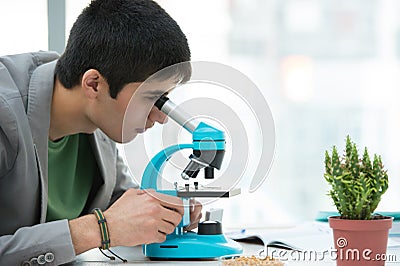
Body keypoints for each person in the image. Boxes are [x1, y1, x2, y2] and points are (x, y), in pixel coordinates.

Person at [0, 0, 202, 265]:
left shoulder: (99, 118)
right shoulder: (5, 114)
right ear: (94, 84)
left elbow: (116, 201)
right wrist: (99, 229)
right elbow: (108, 223)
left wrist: (160, 211)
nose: (161, 117)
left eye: (165, 100)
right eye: (152, 98)